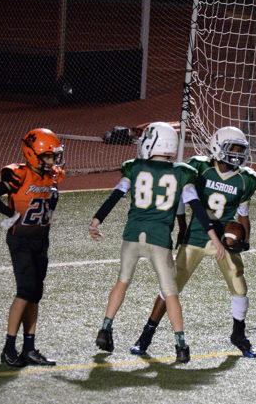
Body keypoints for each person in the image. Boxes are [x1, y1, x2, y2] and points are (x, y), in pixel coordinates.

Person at [88, 121, 225, 364]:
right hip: (159, 239)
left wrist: (97, 220)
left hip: (132, 236)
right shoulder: (182, 172)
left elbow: (116, 195)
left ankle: (105, 328)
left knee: (122, 281)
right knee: (170, 293)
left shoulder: (134, 167)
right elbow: (197, 208)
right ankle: (181, 345)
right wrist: (215, 238)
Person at [131, 126, 256, 358]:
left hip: (224, 239)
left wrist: (245, 241)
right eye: (233, 149)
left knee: (239, 286)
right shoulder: (199, 168)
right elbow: (182, 198)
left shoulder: (246, 179)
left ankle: (239, 334)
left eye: (241, 150)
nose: (238, 155)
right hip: (197, 236)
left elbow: (243, 214)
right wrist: (182, 226)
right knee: (170, 286)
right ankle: (146, 334)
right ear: (218, 147)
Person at [0, 128, 65, 367]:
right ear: (32, 154)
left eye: (54, 156)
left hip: (41, 240)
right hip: (21, 240)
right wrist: (11, 214)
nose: (53, 161)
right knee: (25, 290)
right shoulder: (19, 174)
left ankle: (29, 348)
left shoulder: (52, 176)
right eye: (48, 156)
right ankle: (9, 348)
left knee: (35, 294)